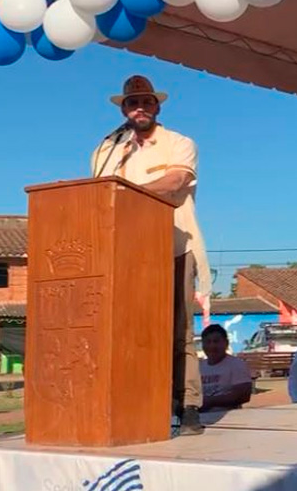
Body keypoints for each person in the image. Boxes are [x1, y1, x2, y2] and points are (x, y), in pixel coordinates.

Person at [90, 75, 212, 434]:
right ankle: (141, 401)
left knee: (179, 329)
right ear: (124, 109)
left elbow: (175, 182)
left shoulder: (179, 143)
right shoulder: (107, 149)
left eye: (146, 101)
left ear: (158, 107)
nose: (139, 107)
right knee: (131, 330)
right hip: (126, 252)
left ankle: (188, 405)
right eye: (132, 102)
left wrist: (127, 193)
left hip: (174, 245)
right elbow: (98, 195)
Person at [198, 324, 254, 412]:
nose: (212, 346)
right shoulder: (198, 367)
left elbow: (244, 395)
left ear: (226, 343)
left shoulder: (236, 364)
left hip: (228, 416)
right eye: (208, 342)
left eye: (216, 341)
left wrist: (210, 401)